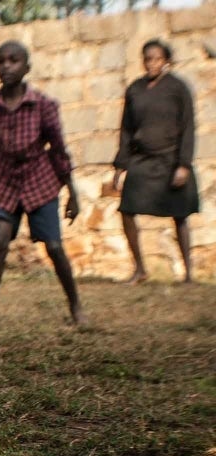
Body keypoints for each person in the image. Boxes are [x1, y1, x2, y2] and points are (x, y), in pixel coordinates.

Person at [0, 41, 87, 334]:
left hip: (40, 180)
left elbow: (60, 150)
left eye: (13, 61)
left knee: (53, 246)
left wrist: (72, 192)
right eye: (1, 61)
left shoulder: (44, 105)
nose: (6, 67)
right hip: (4, 181)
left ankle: (75, 306)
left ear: (26, 67)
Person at [113, 39, 199, 284]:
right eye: (147, 59)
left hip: (171, 160)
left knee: (180, 215)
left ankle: (188, 273)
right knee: (127, 211)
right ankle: (140, 269)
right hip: (143, 161)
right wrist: (121, 165)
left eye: (157, 59)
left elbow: (188, 127)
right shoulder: (135, 89)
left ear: (166, 61)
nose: (152, 63)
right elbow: (126, 130)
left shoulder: (178, 88)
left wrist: (183, 164)